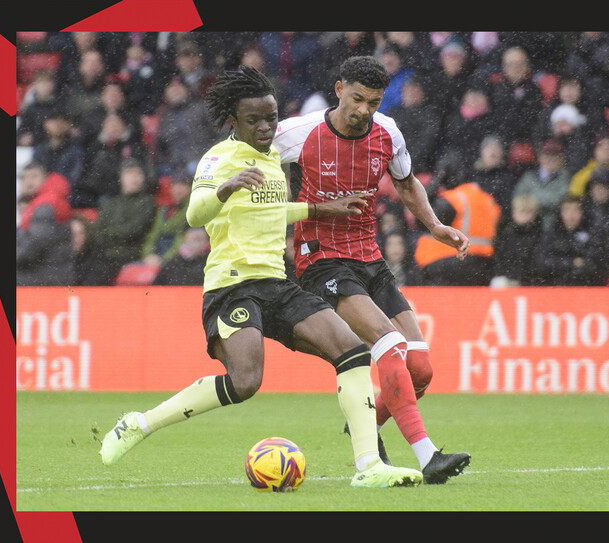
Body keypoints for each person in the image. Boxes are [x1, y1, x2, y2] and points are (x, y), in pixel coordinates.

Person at [99, 65, 424, 489]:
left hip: (277, 282)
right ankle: (140, 424)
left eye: (271, 118)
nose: (267, 127)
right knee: (246, 382)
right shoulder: (219, 159)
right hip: (232, 285)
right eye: (254, 120)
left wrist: (318, 209)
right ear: (233, 120)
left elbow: (268, 210)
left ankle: (369, 466)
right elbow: (195, 214)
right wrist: (227, 187)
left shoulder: (272, 159)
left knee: (352, 352)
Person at [273, 55, 472, 484]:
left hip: (369, 257)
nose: (364, 110)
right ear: (339, 89)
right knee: (388, 343)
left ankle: (365, 423)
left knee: (421, 370)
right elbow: (246, 155)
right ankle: (428, 457)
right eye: (357, 98)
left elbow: (405, 181)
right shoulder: (297, 133)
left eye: (374, 102)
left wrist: (434, 226)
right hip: (322, 258)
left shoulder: (388, 132)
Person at [414, 168, 501, 286]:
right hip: (483, 264)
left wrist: (433, 185)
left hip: (443, 261)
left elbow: (422, 221)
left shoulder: (454, 199)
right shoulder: (489, 201)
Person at [83, 158, 158, 285]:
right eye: (129, 173)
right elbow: (97, 232)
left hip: (130, 255)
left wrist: (108, 234)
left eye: (138, 173)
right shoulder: (111, 203)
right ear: (121, 177)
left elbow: (132, 231)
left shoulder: (147, 203)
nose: (134, 177)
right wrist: (112, 235)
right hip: (105, 255)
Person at [16, 161, 74, 286]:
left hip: (43, 277)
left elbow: (35, 243)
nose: (28, 182)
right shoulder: (50, 200)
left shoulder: (45, 205)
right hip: (51, 274)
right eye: (24, 178)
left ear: (45, 179)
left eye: (34, 176)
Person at [535, 194, 606, 286]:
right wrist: (571, 262)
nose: (571, 215)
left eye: (575, 210)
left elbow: (597, 262)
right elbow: (542, 262)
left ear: (582, 212)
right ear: (560, 212)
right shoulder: (551, 232)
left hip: (586, 286)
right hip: (555, 286)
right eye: (567, 210)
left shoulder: (592, 232)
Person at [512, 138, 572, 232]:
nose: (550, 158)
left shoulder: (565, 177)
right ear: (540, 157)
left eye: (554, 155)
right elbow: (517, 198)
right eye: (547, 154)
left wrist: (532, 202)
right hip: (528, 226)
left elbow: (561, 200)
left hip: (554, 227)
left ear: (561, 158)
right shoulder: (529, 176)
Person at [490, 193, 545, 288]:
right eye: (521, 212)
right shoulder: (505, 234)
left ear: (535, 214)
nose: (525, 216)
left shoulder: (539, 235)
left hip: (530, 280)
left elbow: (538, 262)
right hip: (507, 278)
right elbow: (499, 259)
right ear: (513, 213)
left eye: (528, 212)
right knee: (498, 283)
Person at [141, 170, 192, 267]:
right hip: (153, 257)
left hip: (174, 261)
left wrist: (163, 260)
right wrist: (148, 255)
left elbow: (181, 239)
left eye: (183, 185)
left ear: (190, 188)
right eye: (175, 185)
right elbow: (153, 235)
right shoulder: (164, 210)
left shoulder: (192, 210)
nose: (178, 189)